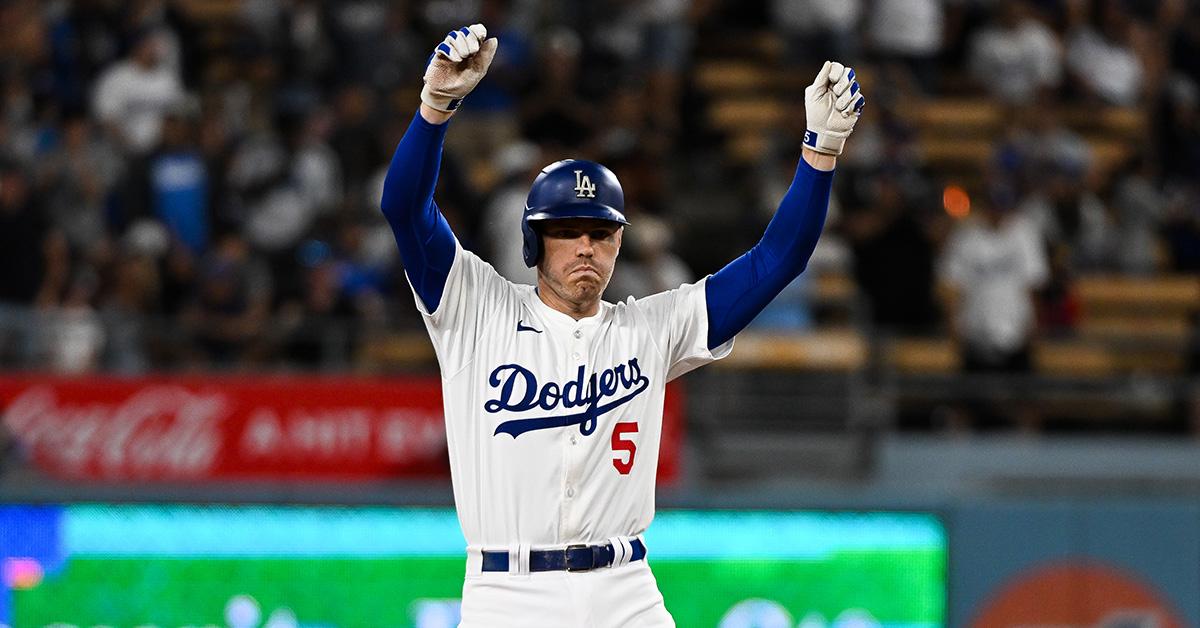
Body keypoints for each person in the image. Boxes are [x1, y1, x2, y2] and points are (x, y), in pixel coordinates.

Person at [380, 24, 863, 627]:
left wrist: (820, 154)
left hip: (624, 590)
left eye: (600, 232)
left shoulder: (652, 328)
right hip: (509, 593)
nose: (585, 246)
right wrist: (434, 109)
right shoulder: (476, 310)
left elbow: (779, 259)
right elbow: (404, 208)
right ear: (534, 242)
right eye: (566, 230)